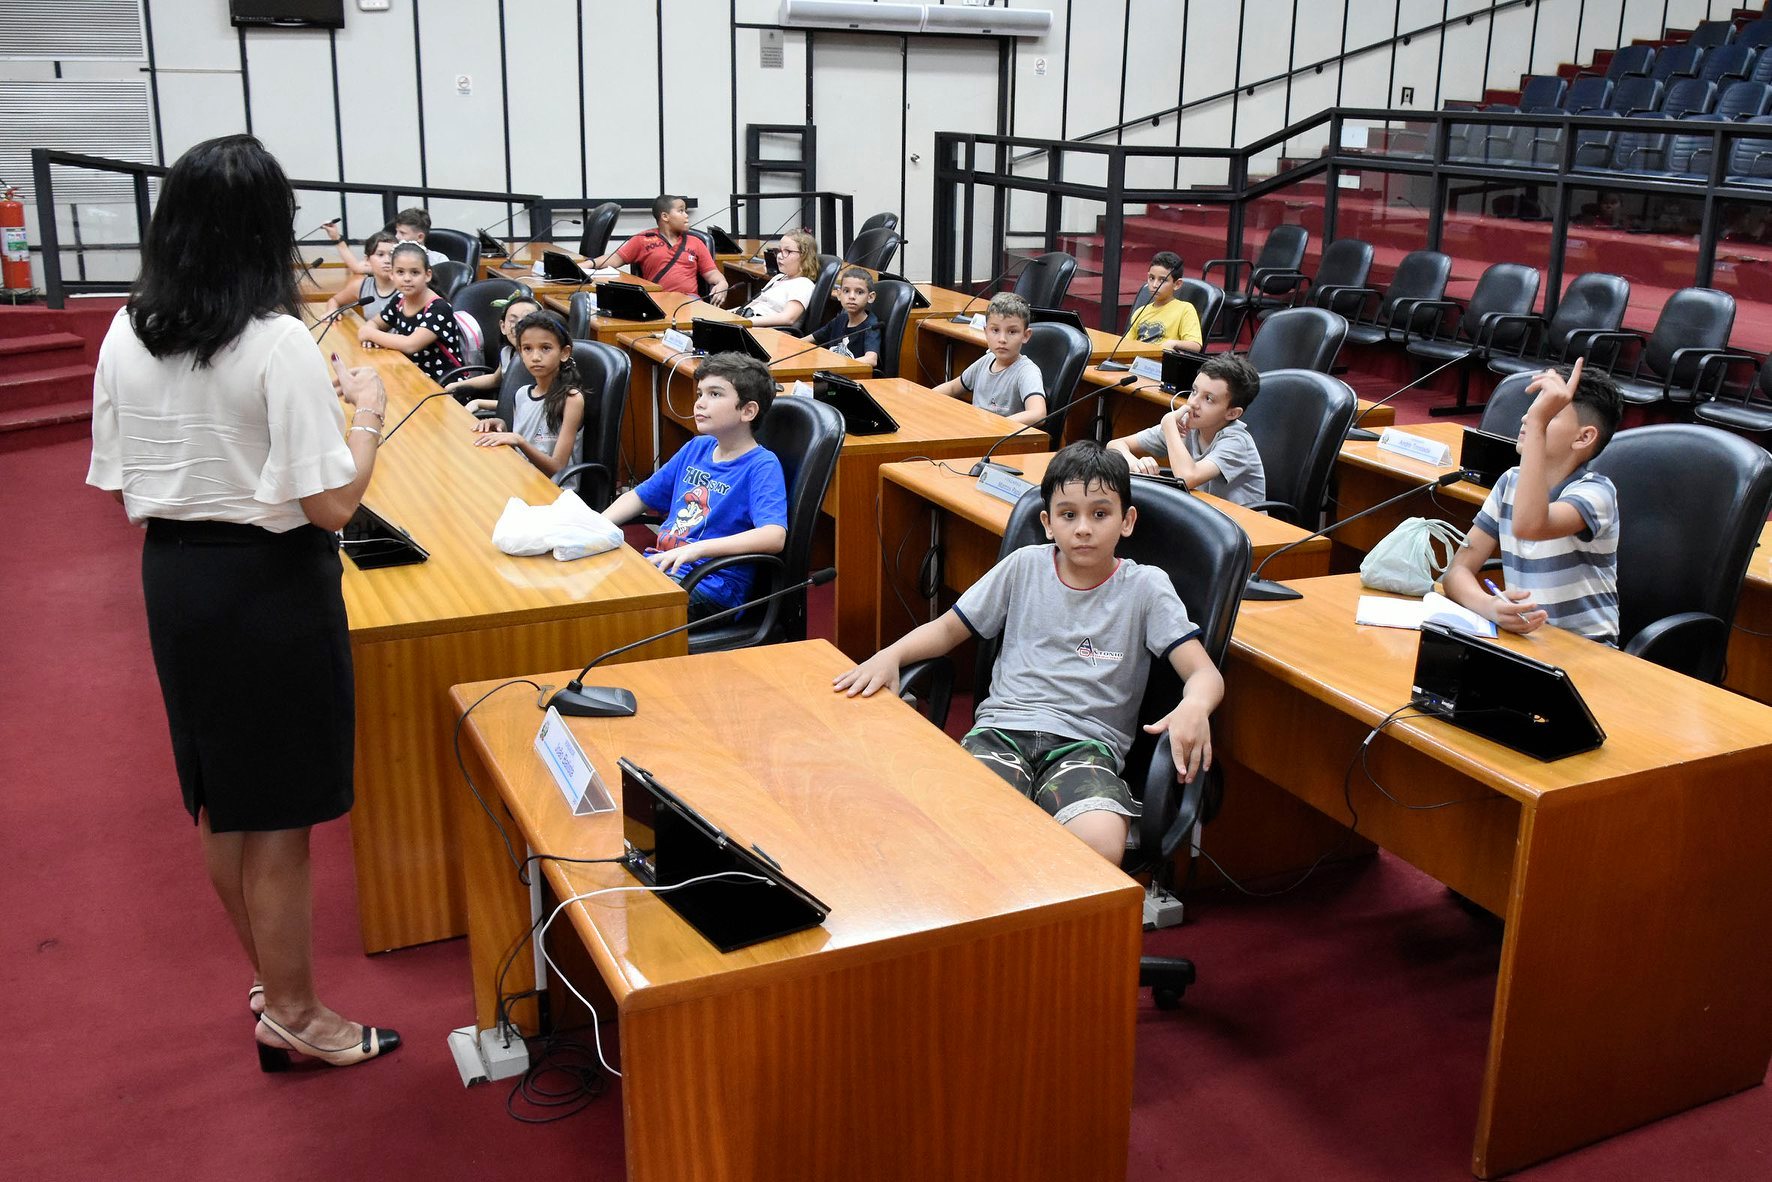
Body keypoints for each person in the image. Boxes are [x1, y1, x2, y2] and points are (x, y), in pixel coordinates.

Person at [85, 134, 399, 1071]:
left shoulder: (124, 326)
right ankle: (301, 1014)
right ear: (268, 231)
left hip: (176, 581)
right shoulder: (276, 341)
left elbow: (114, 484)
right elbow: (335, 505)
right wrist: (369, 415)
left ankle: (272, 990)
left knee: (223, 801)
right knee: (283, 819)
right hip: (268, 589)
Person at [833, 441, 1222, 863]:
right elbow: (947, 629)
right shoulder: (1024, 566)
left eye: (1100, 513)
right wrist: (891, 654)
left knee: (1098, 846)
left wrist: (1195, 706)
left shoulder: (1146, 586)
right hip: (1002, 732)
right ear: (1048, 522)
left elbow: (1205, 674)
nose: (1084, 528)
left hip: (1086, 745)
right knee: (960, 825)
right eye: (1068, 514)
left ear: (1126, 521)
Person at [1442, 359, 1624, 644]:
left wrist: (1539, 423)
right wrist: (1489, 606)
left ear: (1584, 437)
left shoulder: (1597, 494)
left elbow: (1531, 524)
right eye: (1533, 410)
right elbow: (1457, 572)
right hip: (1530, 643)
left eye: (1548, 413)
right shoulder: (1510, 482)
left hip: (1588, 651)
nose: (1528, 418)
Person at [602, 353, 788, 619]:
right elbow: (640, 496)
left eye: (714, 394)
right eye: (700, 393)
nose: (699, 403)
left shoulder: (762, 465)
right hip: (663, 565)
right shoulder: (697, 448)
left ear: (748, 411)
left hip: (710, 586)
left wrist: (696, 549)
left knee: (612, 615)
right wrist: (597, 525)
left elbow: (773, 536)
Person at [1107, 353, 1266, 507]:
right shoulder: (1186, 423)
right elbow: (1115, 445)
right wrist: (1136, 464)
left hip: (1246, 527)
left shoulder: (1237, 442)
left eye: (1208, 399)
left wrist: (1169, 426)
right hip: (1207, 515)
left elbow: (1187, 477)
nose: (1193, 403)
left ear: (1232, 413)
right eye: (1194, 391)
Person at [469, 311, 586, 477]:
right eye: (527, 349)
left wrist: (519, 441)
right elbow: (528, 439)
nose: (535, 357)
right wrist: (502, 425)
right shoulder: (522, 394)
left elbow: (558, 467)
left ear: (564, 353)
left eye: (546, 348)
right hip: (521, 477)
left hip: (554, 492)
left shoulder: (571, 399)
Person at [930, 291, 1048, 427]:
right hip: (977, 431)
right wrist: (925, 398)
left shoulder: (1027, 371)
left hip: (1002, 440)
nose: (1002, 339)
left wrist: (996, 424)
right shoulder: (986, 360)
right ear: (986, 332)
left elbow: (1038, 414)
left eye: (1012, 332)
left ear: (1026, 335)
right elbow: (951, 388)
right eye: (995, 330)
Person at [355, 242, 466, 384]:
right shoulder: (400, 300)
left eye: (415, 272)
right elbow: (376, 322)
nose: (407, 278)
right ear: (392, 275)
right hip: (409, 376)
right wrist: (370, 331)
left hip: (442, 386)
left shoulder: (439, 308)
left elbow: (411, 345)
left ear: (427, 275)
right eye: (400, 272)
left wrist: (369, 334)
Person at [589, 194, 729, 305]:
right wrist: (588, 264)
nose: (686, 215)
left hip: (689, 302)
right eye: (681, 211)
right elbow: (613, 260)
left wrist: (722, 283)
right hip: (656, 299)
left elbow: (712, 274)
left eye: (685, 211)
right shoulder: (643, 239)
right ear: (665, 216)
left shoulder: (696, 242)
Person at [453, 293, 541, 401]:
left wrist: (479, 403)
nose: (519, 326)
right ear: (503, 326)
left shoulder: (538, 360)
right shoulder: (506, 352)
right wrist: (455, 386)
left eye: (527, 320)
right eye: (513, 321)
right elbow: (495, 379)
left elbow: (523, 405)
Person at [325, 206, 447, 272]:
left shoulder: (439, 260)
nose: (397, 237)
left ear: (420, 237)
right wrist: (336, 237)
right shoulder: (391, 257)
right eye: (397, 231)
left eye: (403, 233)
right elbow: (357, 267)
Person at [805, 266, 882, 369]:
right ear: (839, 294)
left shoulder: (871, 326)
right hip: (832, 375)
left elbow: (871, 359)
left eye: (859, 292)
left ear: (870, 297)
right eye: (846, 291)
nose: (852, 296)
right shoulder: (839, 320)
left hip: (855, 378)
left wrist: (838, 364)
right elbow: (808, 339)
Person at [742, 229, 820, 329]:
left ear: (804, 256)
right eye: (779, 250)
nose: (779, 256)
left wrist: (745, 322)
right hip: (749, 322)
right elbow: (754, 304)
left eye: (787, 251)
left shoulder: (803, 284)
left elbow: (788, 318)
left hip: (765, 333)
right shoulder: (778, 278)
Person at [1128, 251, 1203, 353]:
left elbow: (1195, 345)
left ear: (1177, 284)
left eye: (1162, 280)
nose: (1154, 285)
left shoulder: (1185, 309)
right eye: (1151, 278)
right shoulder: (1140, 311)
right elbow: (1127, 344)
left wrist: (1174, 343)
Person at [322, 231, 397, 321]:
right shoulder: (362, 286)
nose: (387, 260)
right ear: (367, 260)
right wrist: (332, 311)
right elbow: (335, 300)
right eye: (380, 255)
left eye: (392, 254)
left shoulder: (407, 287)